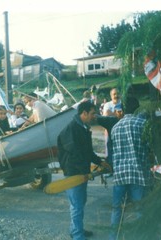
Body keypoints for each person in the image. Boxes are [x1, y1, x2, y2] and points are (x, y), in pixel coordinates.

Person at [57, 101, 112, 240]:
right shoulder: (72, 129)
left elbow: (88, 152)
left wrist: (100, 162)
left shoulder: (83, 128)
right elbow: (75, 155)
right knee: (76, 205)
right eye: (93, 113)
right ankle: (77, 235)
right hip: (73, 173)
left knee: (80, 203)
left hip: (81, 173)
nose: (95, 116)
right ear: (84, 113)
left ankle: (76, 229)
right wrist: (85, 172)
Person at [109, 97, 153, 240]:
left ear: (124, 110)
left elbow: (113, 151)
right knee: (139, 208)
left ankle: (113, 237)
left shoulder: (115, 127)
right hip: (138, 173)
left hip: (120, 174)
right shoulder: (143, 124)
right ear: (137, 109)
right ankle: (142, 236)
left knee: (117, 209)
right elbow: (150, 148)